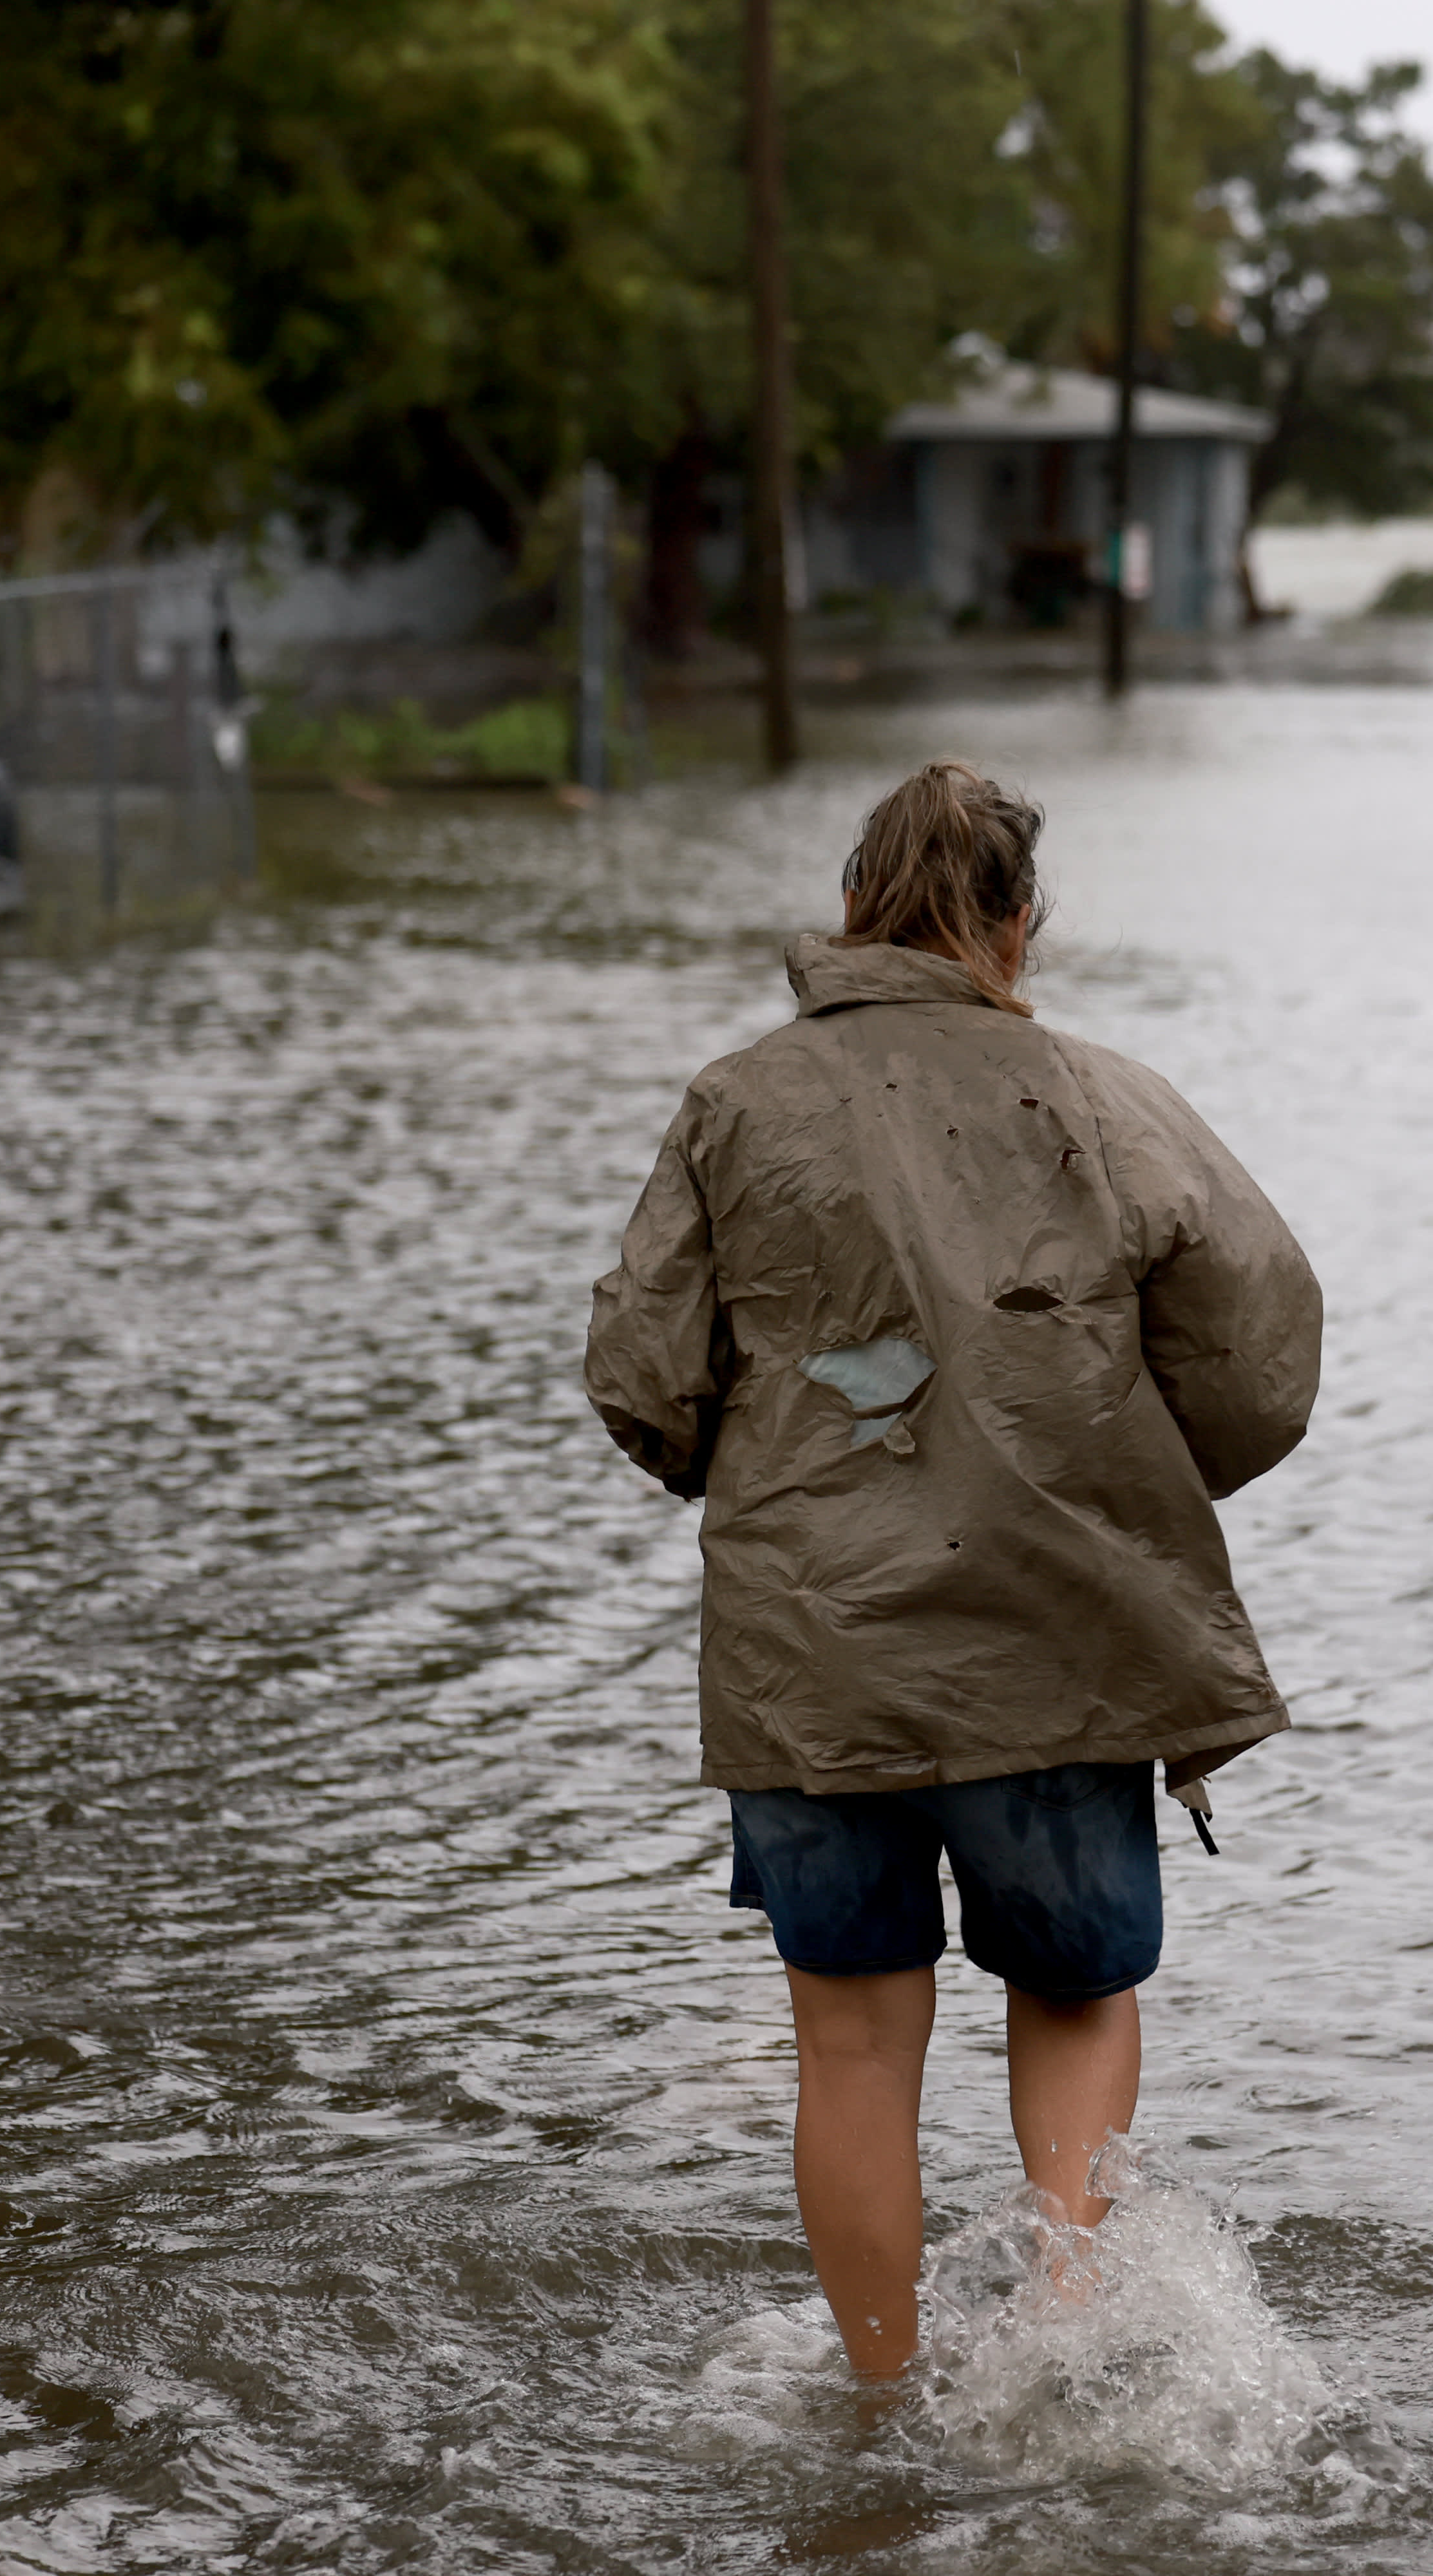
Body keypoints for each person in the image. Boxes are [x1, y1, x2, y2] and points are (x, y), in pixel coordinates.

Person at [585, 758, 1322, 2384]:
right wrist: (1107, 1469)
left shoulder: (732, 1103)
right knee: (1069, 1995)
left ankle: (873, 2405)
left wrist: (786, 1481)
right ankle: (1058, 2369)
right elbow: (1263, 1352)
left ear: (856, 905)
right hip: (1057, 1638)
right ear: (1017, 920)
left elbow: (644, 1381)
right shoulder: (1103, 1098)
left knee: (849, 2043)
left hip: (811, 1656)